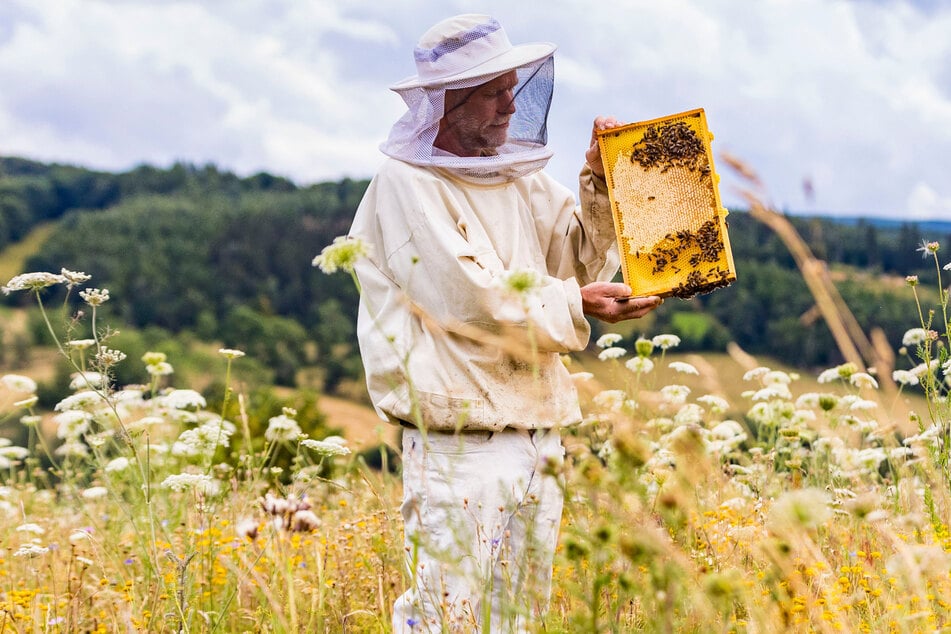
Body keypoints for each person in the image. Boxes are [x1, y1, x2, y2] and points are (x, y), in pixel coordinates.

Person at [347, 14, 662, 632]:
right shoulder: (405, 183)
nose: (508, 107)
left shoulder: (517, 178)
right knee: (448, 617)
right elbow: (469, 297)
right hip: (459, 445)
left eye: (511, 88)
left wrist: (600, 178)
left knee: (515, 620)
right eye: (492, 92)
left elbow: (575, 255)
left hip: (536, 435)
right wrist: (578, 305)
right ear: (447, 101)